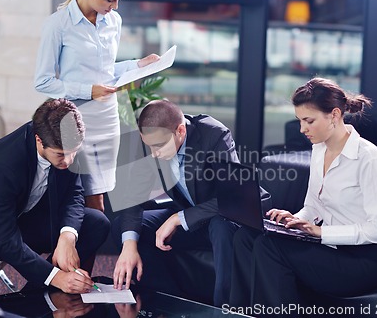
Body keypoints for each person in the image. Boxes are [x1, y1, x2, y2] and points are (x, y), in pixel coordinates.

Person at [229, 77, 377, 314]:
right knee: (245, 237)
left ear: (334, 115)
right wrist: (294, 220)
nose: (302, 129)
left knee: (269, 247)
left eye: (309, 121)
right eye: (299, 121)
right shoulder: (319, 149)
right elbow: (313, 206)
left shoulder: (369, 157)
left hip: (364, 261)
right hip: (329, 248)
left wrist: (321, 232)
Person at [0, 98, 110, 299]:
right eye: (61, 155)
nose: (69, 161)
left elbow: (74, 194)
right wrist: (58, 277)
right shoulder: (3, 163)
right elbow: (4, 239)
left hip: (20, 215)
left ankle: (36, 298)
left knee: (96, 222)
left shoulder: (67, 142)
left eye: (73, 153)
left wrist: (67, 238)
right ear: (39, 140)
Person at [111, 99, 268, 307]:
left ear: (180, 131)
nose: (153, 154)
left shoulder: (213, 135)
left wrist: (178, 219)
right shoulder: (152, 141)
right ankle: (171, 301)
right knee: (124, 227)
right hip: (190, 217)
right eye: (149, 146)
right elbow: (133, 197)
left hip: (223, 216)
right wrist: (129, 246)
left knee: (221, 227)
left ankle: (226, 309)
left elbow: (232, 197)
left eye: (158, 146)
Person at [34, 0, 160, 212]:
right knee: (89, 197)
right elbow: (43, 82)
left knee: (101, 191)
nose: (115, 7)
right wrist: (88, 91)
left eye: (118, 0)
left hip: (107, 116)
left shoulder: (114, 21)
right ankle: (73, 243)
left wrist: (137, 65)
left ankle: (81, 243)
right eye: (110, 0)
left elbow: (105, 71)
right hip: (75, 117)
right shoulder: (58, 24)